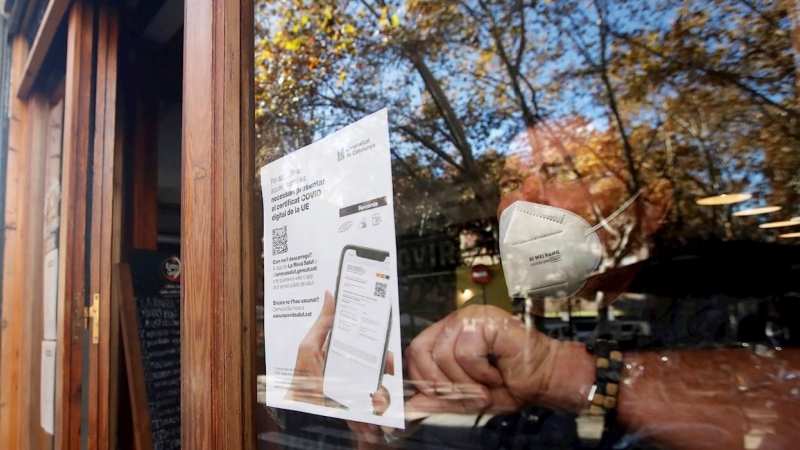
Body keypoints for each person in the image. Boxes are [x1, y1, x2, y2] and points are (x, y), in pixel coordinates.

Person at [289, 121, 800, 449]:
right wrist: (386, 437)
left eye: (561, 171)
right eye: (512, 183)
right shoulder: (523, 329)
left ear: (652, 205)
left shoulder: (742, 294)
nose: (525, 201)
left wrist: (559, 372)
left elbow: (778, 406)